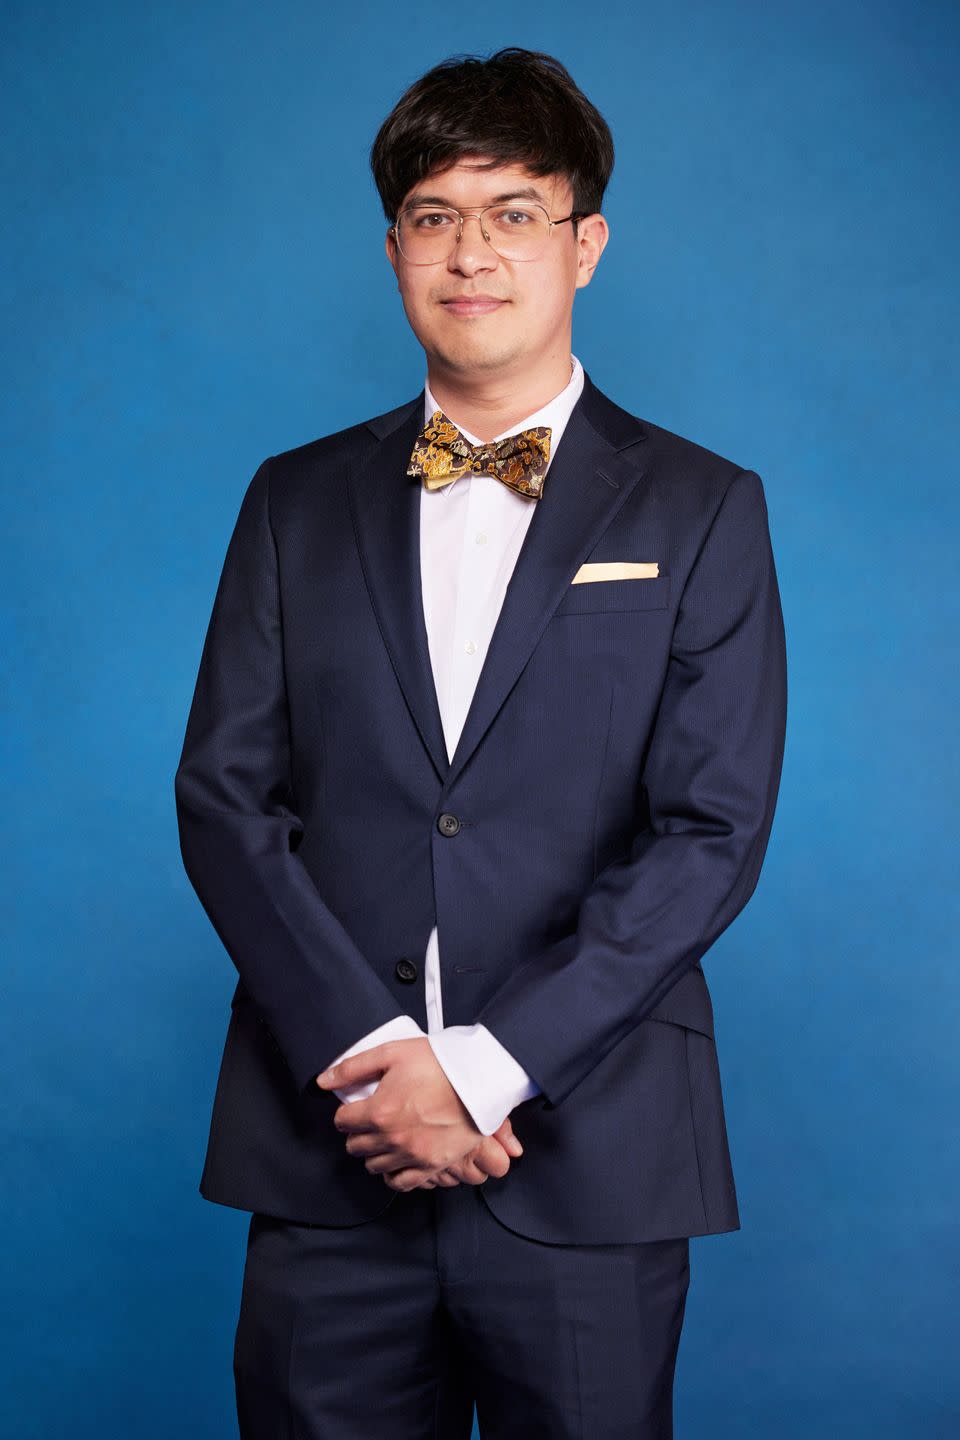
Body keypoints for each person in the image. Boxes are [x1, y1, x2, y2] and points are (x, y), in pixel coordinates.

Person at [174, 45, 787, 1440]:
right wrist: (381, 1059)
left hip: (589, 1152)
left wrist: (483, 1067)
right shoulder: (293, 499)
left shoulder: (701, 507)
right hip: (330, 1146)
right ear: (395, 248)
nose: (472, 251)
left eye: (515, 212)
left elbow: (712, 832)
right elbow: (224, 799)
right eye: (436, 215)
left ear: (587, 244)